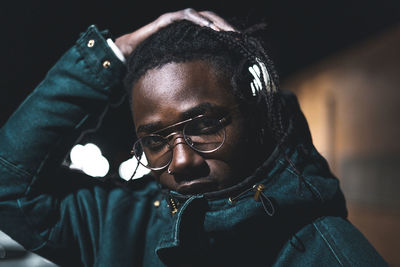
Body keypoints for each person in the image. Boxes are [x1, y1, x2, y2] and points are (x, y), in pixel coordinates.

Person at [0, 8, 387, 267]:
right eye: (155, 141)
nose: (182, 161)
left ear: (256, 120)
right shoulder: (118, 223)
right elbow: (9, 184)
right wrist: (111, 55)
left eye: (204, 126)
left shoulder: (328, 252)